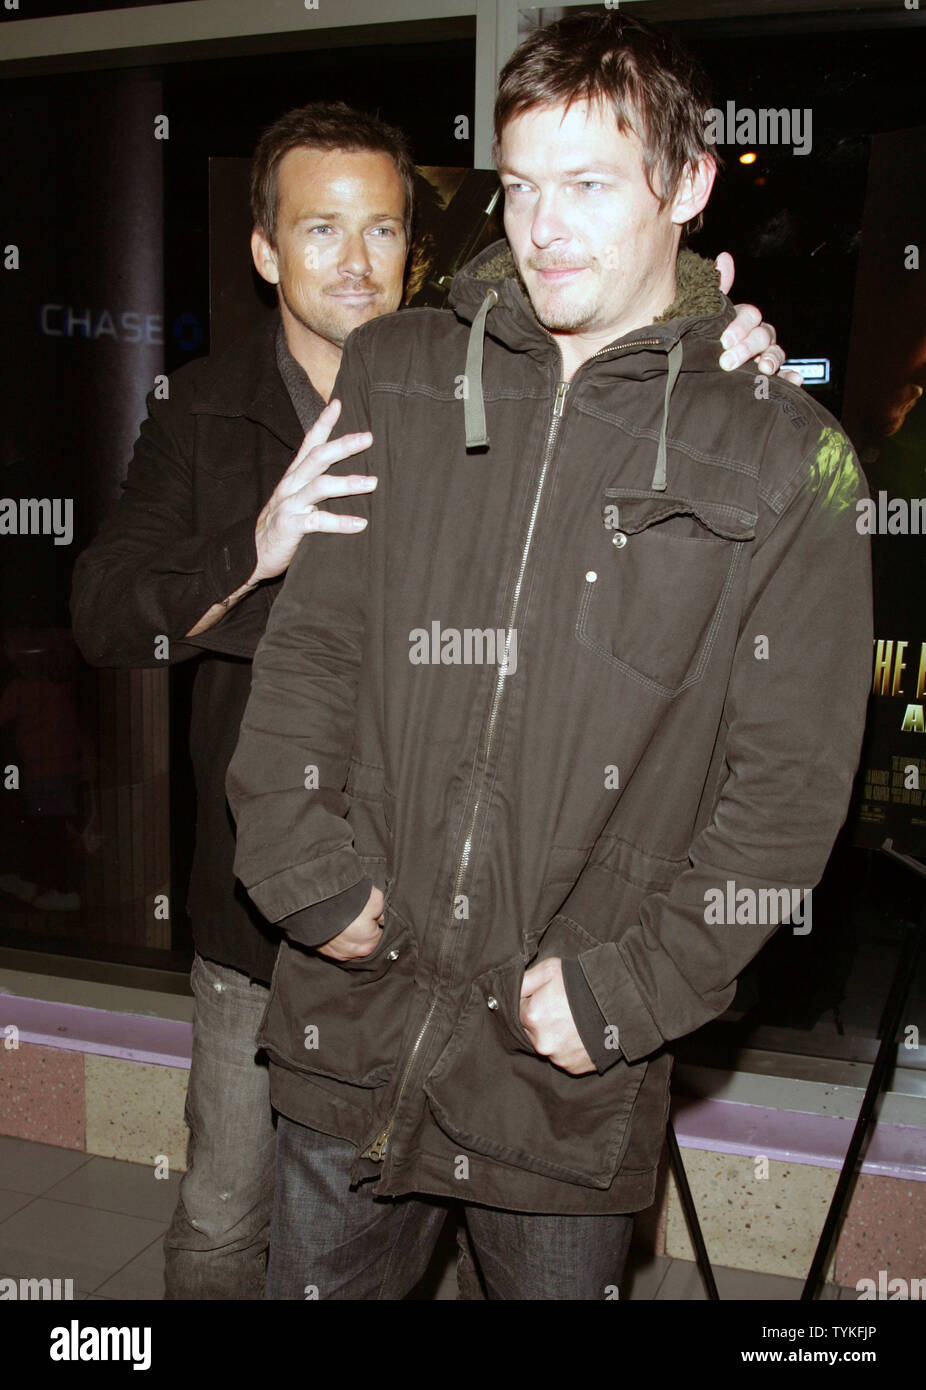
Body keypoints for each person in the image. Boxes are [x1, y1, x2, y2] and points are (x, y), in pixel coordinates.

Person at [69, 89, 794, 1300]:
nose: (355, 261)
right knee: (223, 1216)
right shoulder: (204, 412)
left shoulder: (474, 390)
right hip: (269, 920)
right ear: (263, 249)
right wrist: (257, 543)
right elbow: (104, 614)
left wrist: (710, 355)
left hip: (465, 935)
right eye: (318, 229)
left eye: (383, 230)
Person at [226, 12, 872, 1302]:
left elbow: (786, 795)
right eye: (521, 187)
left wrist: (630, 988)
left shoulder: (787, 459)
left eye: (586, 185)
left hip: (562, 1073)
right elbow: (313, 648)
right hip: (350, 1011)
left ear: (687, 184)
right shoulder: (399, 373)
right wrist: (300, 863)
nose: (542, 228)